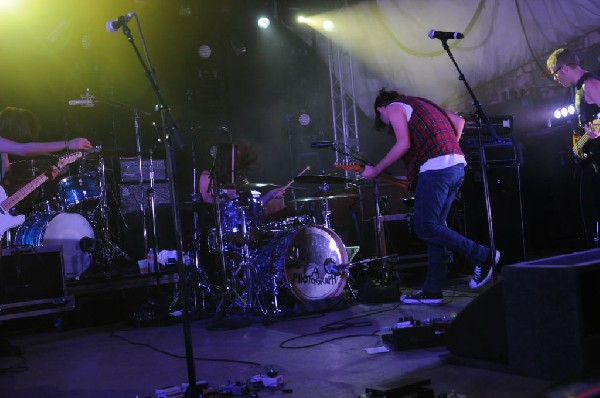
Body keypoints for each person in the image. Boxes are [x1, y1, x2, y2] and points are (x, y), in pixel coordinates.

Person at [360, 89, 499, 305]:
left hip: (436, 169)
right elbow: (459, 121)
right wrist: (449, 149)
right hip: (456, 166)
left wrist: (376, 170)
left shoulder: (395, 107)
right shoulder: (424, 103)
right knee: (434, 229)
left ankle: (484, 255)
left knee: (425, 227)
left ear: (381, 109)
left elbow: (403, 143)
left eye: (383, 120)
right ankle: (432, 291)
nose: (387, 124)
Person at [0, 106, 92, 247]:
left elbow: (9, 185)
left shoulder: (3, 153)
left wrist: (41, 178)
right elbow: (23, 149)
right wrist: (68, 144)